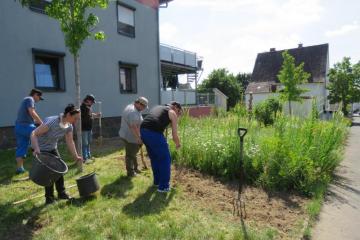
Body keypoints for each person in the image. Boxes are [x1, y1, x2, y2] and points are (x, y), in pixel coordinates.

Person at [31, 104, 83, 204]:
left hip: (52, 148)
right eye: (75, 118)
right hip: (41, 148)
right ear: (68, 114)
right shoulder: (52, 122)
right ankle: (49, 198)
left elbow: (70, 141)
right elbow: (33, 134)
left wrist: (75, 156)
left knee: (59, 170)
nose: (76, 121)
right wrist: (36, 148)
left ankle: (62, 193)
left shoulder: (69, 126)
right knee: (48, 173)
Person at [140, 101, 182, 192]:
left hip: (143, 131)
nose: (178, 115)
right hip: (153, 132)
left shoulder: (158, 107)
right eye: (178, 112)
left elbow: (156, 121)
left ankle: (157, 182)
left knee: (155, 158)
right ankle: (164, 186)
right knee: (165, 159)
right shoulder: (172, 112)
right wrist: (178, 145)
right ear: (175, 107)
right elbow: (175, 135)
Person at [14, 88, 44, 174]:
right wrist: (42, 123)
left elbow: (27, 116)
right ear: (35, 95)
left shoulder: (25, 100)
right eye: (39, 98)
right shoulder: (30, 99)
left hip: (19, 127)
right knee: (42, 138)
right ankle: (41, 163)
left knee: (21, 147)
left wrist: (34, 121)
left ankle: (20, 168)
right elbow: (32, 112)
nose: (39, 100)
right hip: (26, 127)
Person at [119, 97, 148, 177]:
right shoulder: (133, 112)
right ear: (139, 104)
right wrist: (138, 138)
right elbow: (133, 127)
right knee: (130, 155)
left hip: (127, 134)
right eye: (144, 107)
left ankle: (135, 168)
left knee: (133, 153)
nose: (144, 109)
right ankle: (130, 173)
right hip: (131, 137)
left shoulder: (133, 107)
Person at [80, 94, 100, 163]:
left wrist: (96, 115)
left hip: (89, 128)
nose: (92, 104)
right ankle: (85, 158)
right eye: (91, 102)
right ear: (88, 100)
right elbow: (85, 116)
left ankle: (89, 156)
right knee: (84, 143)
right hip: (84, 128)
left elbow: (90, 114)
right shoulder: (82, 107)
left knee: (88, 142)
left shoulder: (88, 106)